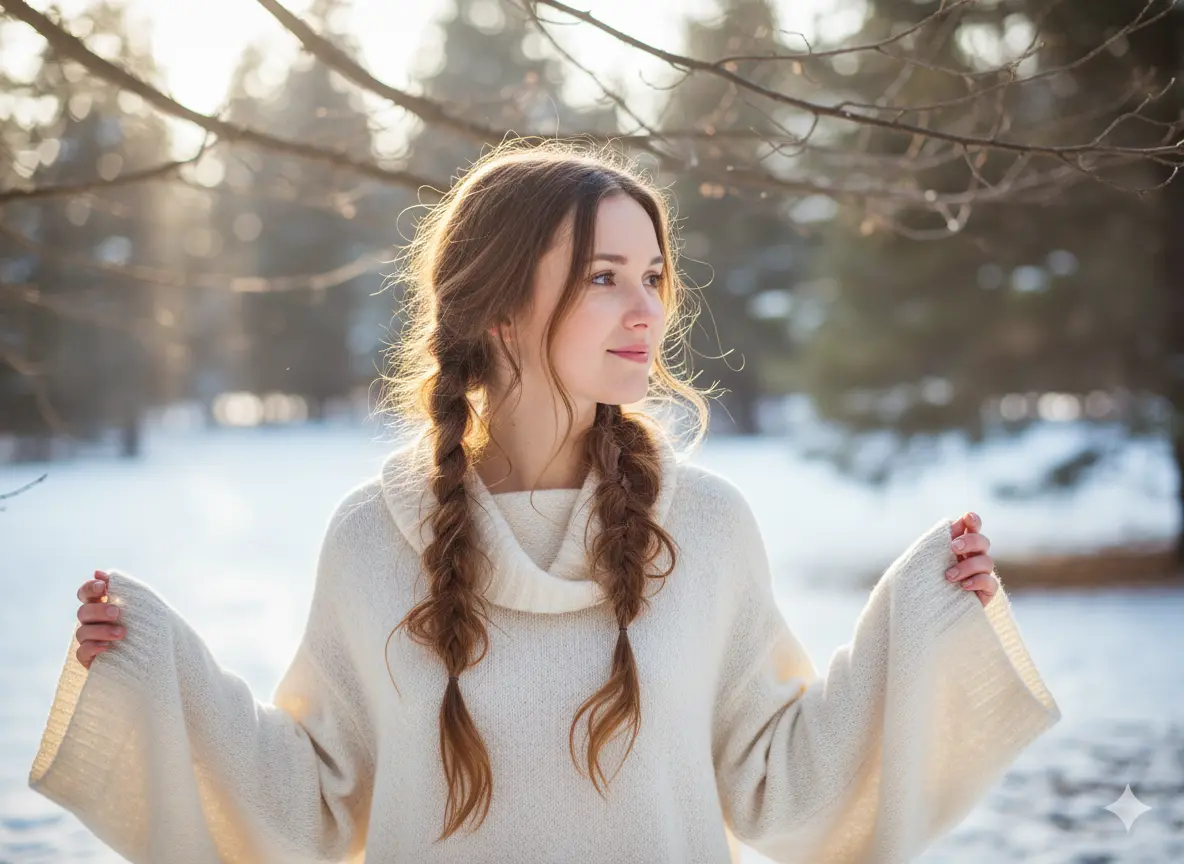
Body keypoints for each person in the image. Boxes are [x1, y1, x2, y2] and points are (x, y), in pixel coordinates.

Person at [28, 139, 1061, 864]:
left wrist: (914, 620)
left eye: (653, 276)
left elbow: (776, 783)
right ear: (500, 301)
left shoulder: (700, 530)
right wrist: (154, 659)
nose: (647, 308)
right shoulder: (372, 538)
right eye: (604, 275)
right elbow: (312, 802)